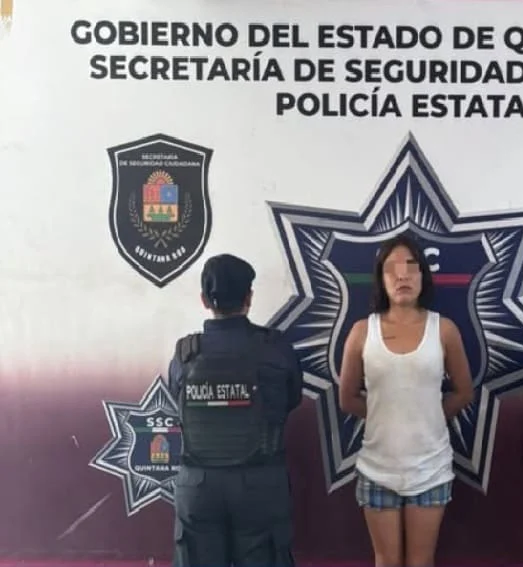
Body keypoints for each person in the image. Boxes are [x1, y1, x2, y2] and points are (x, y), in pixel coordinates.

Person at [338, 232, 474, 567]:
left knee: (420, 561)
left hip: (430, 468)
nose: (402, 275)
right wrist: (388, 416)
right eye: (392, 269)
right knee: (385, 560)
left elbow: (463, 391)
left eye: (412, 266)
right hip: (376, 468)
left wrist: (428, 415)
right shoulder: (360, 332)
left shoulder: (444, 330)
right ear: (380, 279)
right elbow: (347, 397)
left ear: (423, 276)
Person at [167, 253, 304, 567]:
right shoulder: (276, 348)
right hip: (259, 486)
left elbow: (178, 400)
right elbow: (291, 399)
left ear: (204, 300)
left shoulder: (186, 354)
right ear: (249, 297)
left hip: (198, 488)